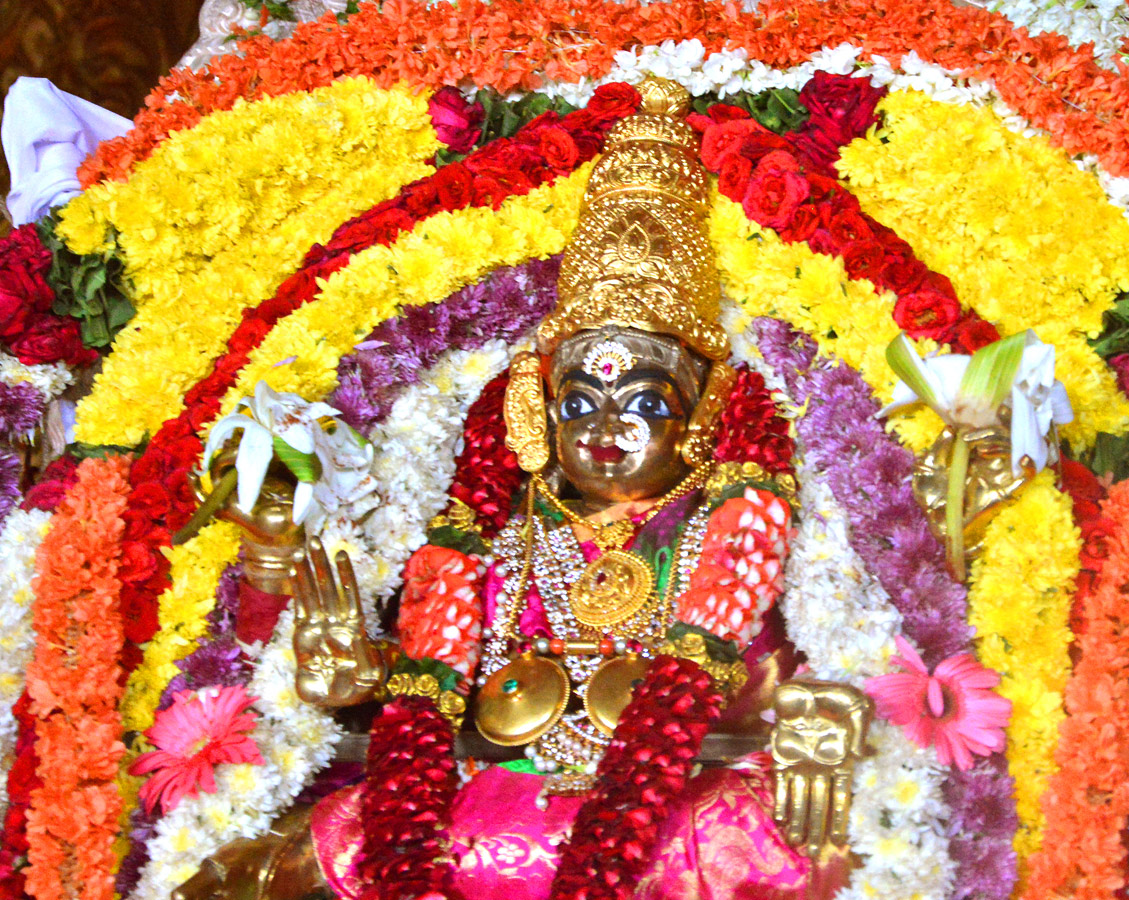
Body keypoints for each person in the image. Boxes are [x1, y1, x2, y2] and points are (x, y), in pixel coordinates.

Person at [175, 77, 870, 900]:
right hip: (480, 806)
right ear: (536, 413)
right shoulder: (502, 529)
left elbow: (818, 663)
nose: (605, 427)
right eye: (578, 402)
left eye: (645, 401)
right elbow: (424, 708)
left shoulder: (735, 522)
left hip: (678, 814)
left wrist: (823, 714)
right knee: (263, 870)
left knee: (790, 848)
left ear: (703, 412)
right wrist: (353, 678)